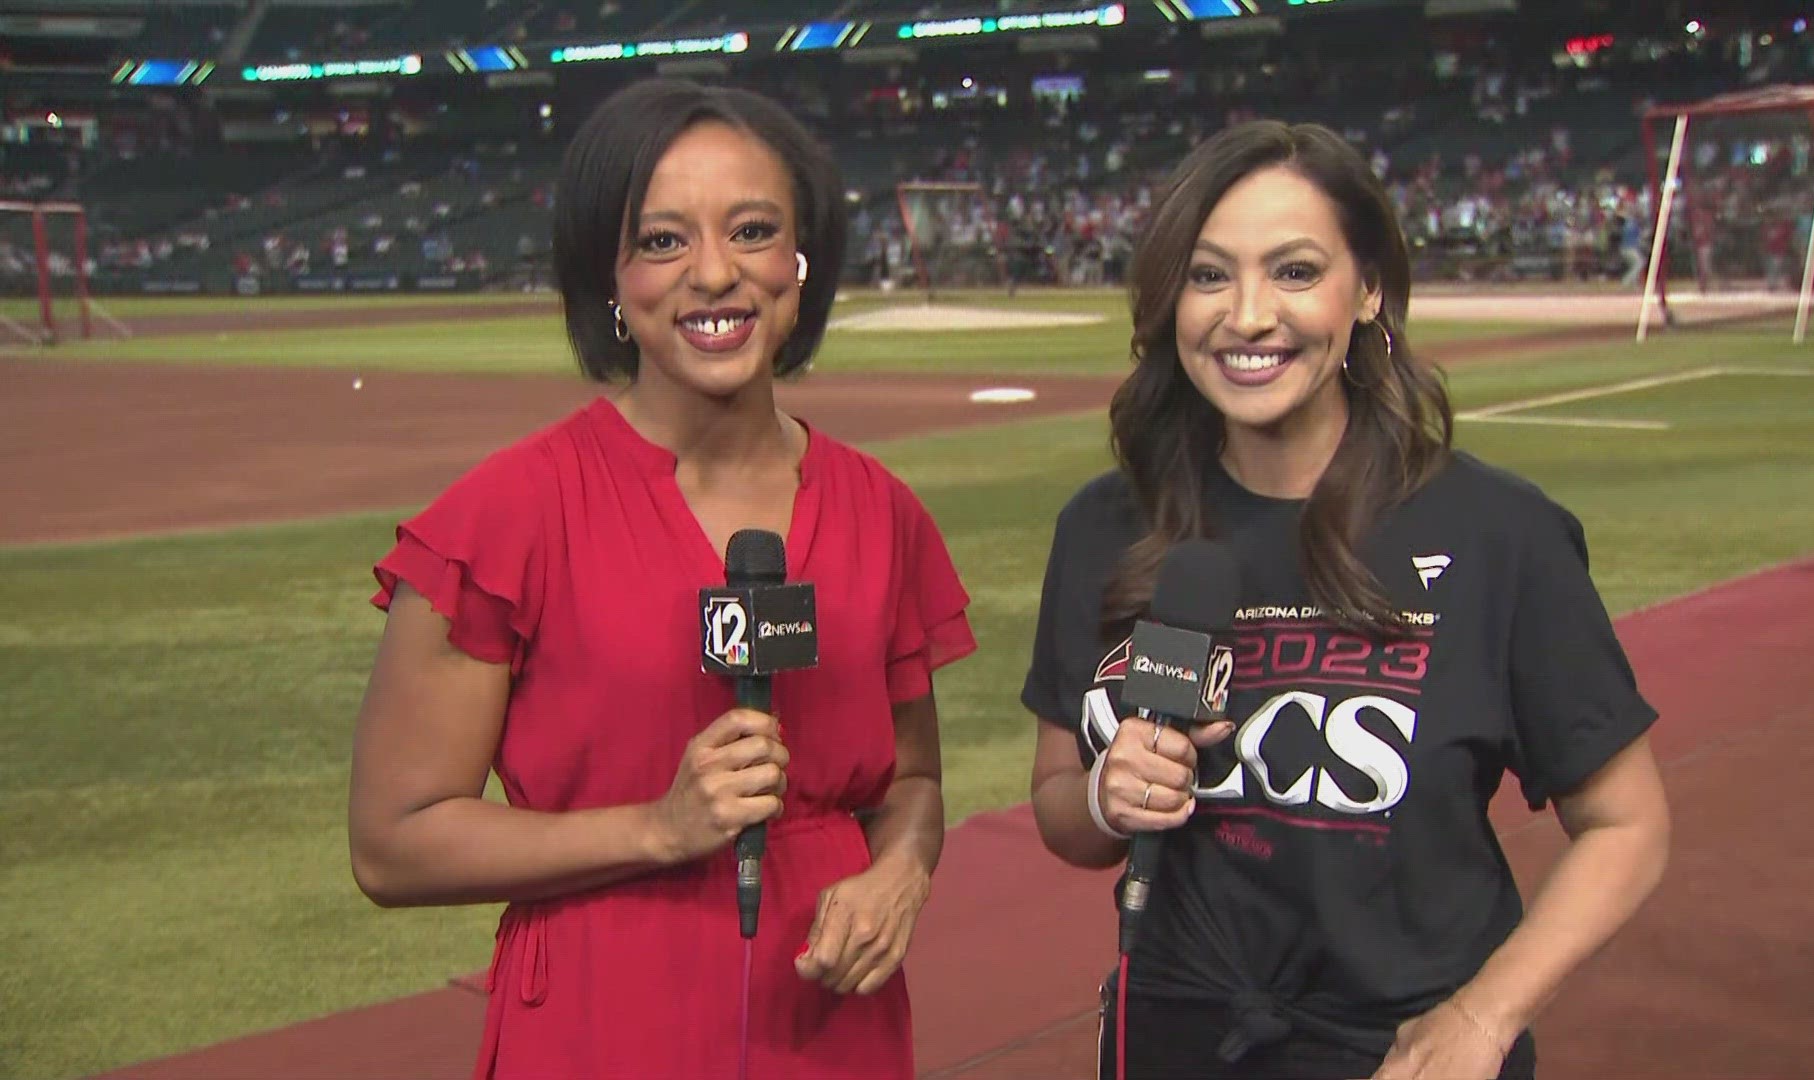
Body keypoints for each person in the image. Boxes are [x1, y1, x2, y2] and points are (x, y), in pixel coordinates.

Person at [347, 78, 976, 1079]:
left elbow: (911, 780)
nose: (715, 274)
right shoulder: (507, 515)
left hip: (829, 1023)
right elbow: (394, 843)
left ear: (802, 265)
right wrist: (656, 826)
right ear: (611, 274)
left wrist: (900, 870)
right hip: (604, 1017)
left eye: (754, 230)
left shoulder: (880, 511)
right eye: (662, 240)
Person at [1021, 120, 1671, 1080]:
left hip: (1399, 1057)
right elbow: (1059, 812)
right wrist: (1105, 798)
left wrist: (1484, 1018)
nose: (1246, 316)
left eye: (1294, 271)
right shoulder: (1107, 526)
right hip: (1168, 1042)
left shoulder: (1500, 533)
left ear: (1367, 289)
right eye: (1207, 275)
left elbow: (1628, 824)